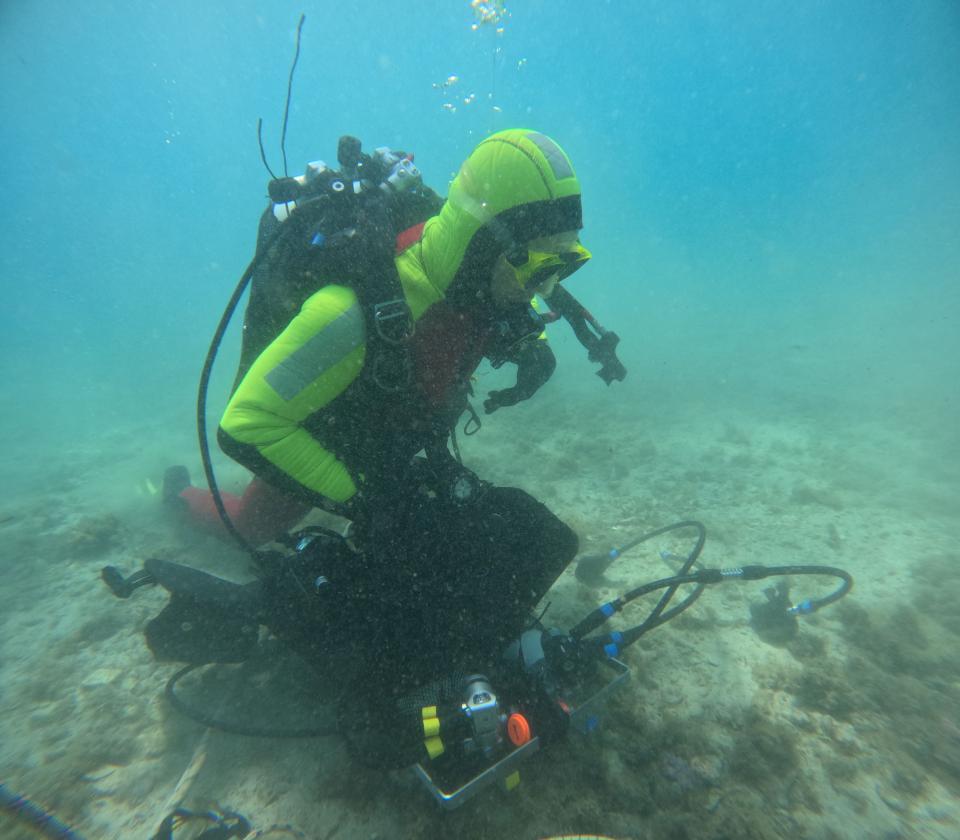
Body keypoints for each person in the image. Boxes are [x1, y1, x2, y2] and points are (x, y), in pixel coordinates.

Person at [135, 129, 620, 766]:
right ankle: (173, 496)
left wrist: (534, 345)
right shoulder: (352, 310)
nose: (544, 285)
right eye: (537, 266)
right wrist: (363, 499)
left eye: (565, 265)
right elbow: (247, 423)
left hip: (400, 441)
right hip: (327, 436)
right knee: (253, 524)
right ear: (484, 242)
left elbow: (505, 307)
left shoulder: (483, 283)